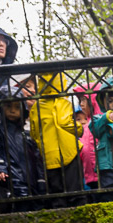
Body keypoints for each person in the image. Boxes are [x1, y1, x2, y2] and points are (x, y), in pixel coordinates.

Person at [29, 71, 86, 207]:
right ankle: (80, 215)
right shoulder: (63, 103)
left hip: (49, 154)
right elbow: (64, 122)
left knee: (56, 190)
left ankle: (59, 216)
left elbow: (34, 132)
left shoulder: (37, 107)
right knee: (75, 188)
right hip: (69, 150)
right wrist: (79, 129)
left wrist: (41, 144)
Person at [0, 91, 45, 210]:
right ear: (1, 108)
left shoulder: (27, 135)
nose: (12, 110)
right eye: (8, 106)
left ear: (23, 110)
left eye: (17, 107)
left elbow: (37, 159)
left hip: (31, 179)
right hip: (10, 178)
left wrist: (41, 179)